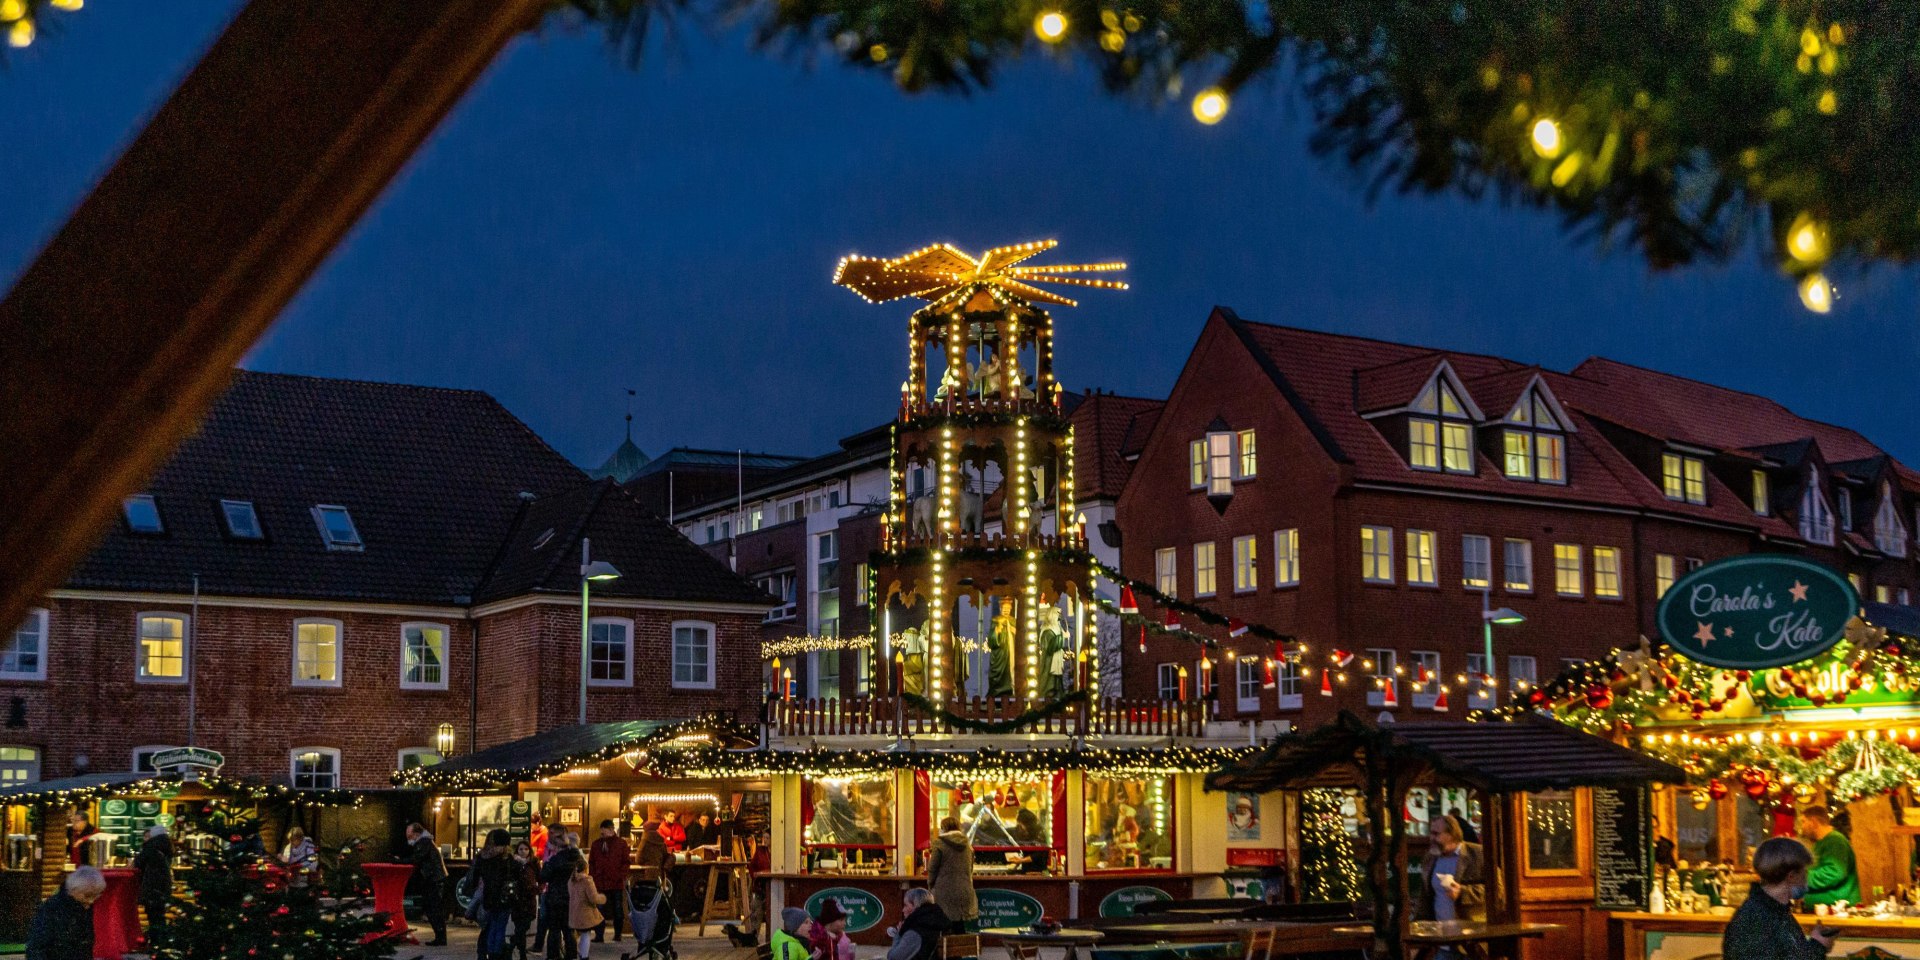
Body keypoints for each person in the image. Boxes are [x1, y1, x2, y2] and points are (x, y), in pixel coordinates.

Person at [1723, 836, 1836, 960]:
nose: (1807, 879)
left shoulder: (1776, 911)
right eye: (1805, 873)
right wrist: (1818, 946)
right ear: (1791, 876)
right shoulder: (1754, 920)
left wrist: (1816, 943)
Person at [1414, 814, 1485, 924]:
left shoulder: (1477, 854)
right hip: (1439, 932)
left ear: (1451, 835)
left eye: (1436, 834)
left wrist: (1462, 892)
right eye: (1431, 833)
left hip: (1470, 932)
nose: (1431, 838)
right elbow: (1425, 896)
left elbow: (1498, 890)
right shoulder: (1431, 857)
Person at [26, 866, 104, 960]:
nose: (91, 901)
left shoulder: (89, 909)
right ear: (74, 890)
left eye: (96, 895)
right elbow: (36, 947)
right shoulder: (51, 908)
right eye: (87, 895)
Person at [463, 828, 519, 960]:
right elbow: (516, 875)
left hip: (488, 897)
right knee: (500, 926)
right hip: (505, 898)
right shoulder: (508, 859)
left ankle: (487, 951)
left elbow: (474, 878)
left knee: (490, 926)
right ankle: (495, 953)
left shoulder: (483, 857)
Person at [1799, 806, 1860, 907]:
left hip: (1837, 913)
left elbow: (1834, 873)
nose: (1802, 827)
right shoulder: (1821, 843)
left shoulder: (1835, 841)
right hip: (1824, 911)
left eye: (1803, 822)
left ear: (1813, 822)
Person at [926, 817, 978, 932]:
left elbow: (932, 868)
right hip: (964, 889)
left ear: (944, 828)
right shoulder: (968, 844)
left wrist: (930, 885)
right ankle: (960, 949)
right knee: (959, 926)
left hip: (944, 890)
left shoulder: (939, 843)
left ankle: (946, 949)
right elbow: (970, 868)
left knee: (944, 925)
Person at [405, 822, 450, 946]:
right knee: (433, 908)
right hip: (434, 879)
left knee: (433, 908)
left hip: (433, 880)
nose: (409, 839)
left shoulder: (424, 843)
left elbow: (416, 858)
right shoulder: (426, 842)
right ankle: (440, 937)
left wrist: (400, 861)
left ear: (416, 834)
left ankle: (440, 937)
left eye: (410, 836)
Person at [540, 833, 584, 959]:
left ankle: (553, 955)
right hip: (572, 896)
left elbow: (543, 876)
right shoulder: (577, 858)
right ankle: (571, 955)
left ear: (556, 847)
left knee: (554, 929)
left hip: (555, 897)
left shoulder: (555, 860)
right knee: (569, 929)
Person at [588, 819, 631, 943]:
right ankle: (599, 935)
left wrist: (620, 875)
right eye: (601, 833)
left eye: (604, 832)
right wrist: (593, 877)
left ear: (611, 830)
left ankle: (618, 934)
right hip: (600, 882)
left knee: (617, 909)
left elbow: (625, 862)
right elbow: (592, 862)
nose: (602, 835)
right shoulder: (596, 844)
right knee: (599, 910)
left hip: (615, 882)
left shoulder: (621, 844)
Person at [131, 824, 173, 937]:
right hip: (163, 886)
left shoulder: (151, 847)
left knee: (153, 915)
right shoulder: (166, 846)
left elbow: (138, 863)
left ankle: (156, 941)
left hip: (151, 886)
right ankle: (161, 941)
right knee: (159, 914)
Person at [885, 888, 947, 960]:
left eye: (905, 905)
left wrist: (898, 935)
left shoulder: (915, 932)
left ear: (916, 906)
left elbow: (893, 958)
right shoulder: (942, 924)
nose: (903, 910)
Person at [567, 857, 606, 960]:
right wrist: (602, 898)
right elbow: (593, 898)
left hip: (574, 912)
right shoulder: (587, 881)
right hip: (585, 913)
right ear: (586, 868)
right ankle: (584, 956)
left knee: (579, 933)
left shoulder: (571, 881)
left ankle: (578, 952)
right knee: (586, 934)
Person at [510, 840, 542, 960]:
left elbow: (541, 877)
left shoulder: (534, 862)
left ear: (530, 850)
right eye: (521, 849)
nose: (523, 852)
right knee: (520, 927)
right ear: (517, 851)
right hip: (517, 899)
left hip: (529, 899)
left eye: (526, 849)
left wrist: (538, 889)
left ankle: (512, 943)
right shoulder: (513, 863)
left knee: (525, 926)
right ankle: (522, 954)